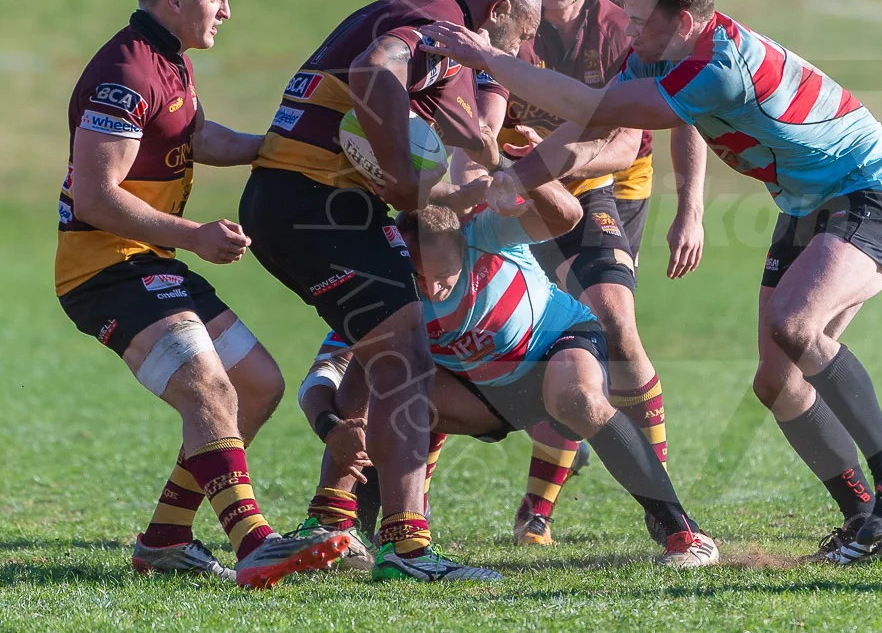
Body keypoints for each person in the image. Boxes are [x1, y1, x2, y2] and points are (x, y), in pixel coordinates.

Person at [418, 0, 882, 564]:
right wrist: (516, 177)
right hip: (807, 204)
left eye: (638, 23)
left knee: (795, 326)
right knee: (777, 381)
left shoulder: (716, 66)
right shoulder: (657, 57)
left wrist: (488, 57)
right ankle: (865, 517)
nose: (628, 36)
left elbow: (592, 107)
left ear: (683, 21)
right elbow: (578, 133)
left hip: (877, 190)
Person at [55, 0, 348, 587]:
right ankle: (255, 543)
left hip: (149, 263)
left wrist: (279, 148)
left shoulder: (170, 59)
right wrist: (194, 236)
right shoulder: (124, 75)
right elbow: (98, 199)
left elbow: (194, 135)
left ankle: (164, 540)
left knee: (258, 386)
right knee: (209, 388)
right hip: (102, 270)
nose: (226, 10)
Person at [237, 0, 539, 582]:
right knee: (404, 356)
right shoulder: (438, 25)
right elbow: (377, 70)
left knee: (389, 355)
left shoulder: (431, 30)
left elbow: (462, 134)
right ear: (500, 10)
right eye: (520, 34)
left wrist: (497, 149)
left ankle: (336, 523)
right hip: (314, 204)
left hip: (308, 204)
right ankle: (406, 552)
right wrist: (404, 181)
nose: (516, 51)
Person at [293, 178, 721, 567]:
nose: (430, 290)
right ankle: (351, 532)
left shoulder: (488, 232)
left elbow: (567, 215)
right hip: (482, 393)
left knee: (580, 400)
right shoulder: (387, 285)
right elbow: (323, 375)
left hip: (553, 346)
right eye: (417, 277)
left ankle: (685, 533)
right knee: (386, 377)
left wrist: (515, 169)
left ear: (464, 246)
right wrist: (331, 426)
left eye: (443, 277)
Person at [477, 0, 679, 546]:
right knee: (544, 344)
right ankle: (530, 512)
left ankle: (660, 496)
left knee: (613, 324)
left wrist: (551, 157)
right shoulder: (505, 21)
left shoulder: (623, 31)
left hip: (594, 188)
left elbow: (624, 147)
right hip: (513, 188)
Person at [546, 0, 708, 279]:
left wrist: (690, 211)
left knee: (607, 295)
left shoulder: (640, 0)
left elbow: (686, 105)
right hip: (547, 154)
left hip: (622, 171)